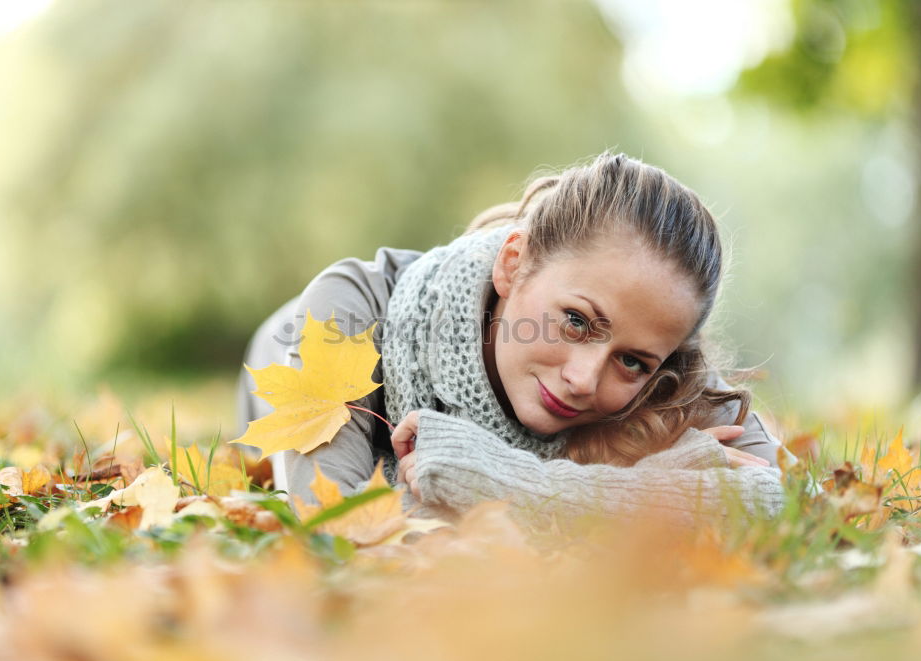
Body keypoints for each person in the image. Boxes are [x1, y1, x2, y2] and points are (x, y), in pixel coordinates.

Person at [236, 151, 789, 531]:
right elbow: (334, 525)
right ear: (513, 263)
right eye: (576, 321)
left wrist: (499, 482)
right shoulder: (347, 314)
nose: (583, 379)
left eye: (631, 361)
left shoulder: (657, 347)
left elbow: (771, 499)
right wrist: (642, 498)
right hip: (278, 350)